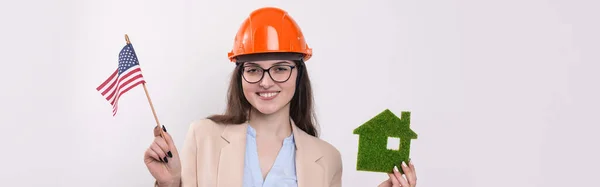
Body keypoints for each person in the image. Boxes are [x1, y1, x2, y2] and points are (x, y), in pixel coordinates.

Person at [143, 7, 417, 187]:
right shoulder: (204, 136)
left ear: (299, 74)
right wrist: (171, 183)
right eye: (253, 70)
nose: (266, 81)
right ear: (240, 75)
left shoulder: (328, 159)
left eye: (280, 69)